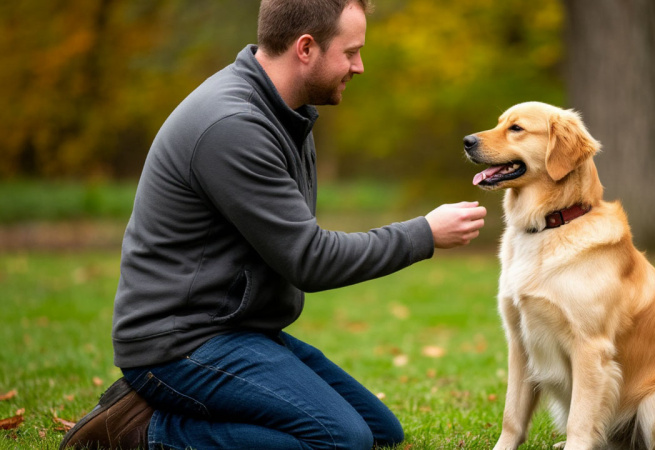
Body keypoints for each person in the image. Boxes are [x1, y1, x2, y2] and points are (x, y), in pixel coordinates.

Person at [59, 0, 486, 448]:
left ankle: (162, 410)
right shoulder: (233, 126)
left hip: (235, 330)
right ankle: (143, 432)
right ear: (305, 48)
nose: (359, 66)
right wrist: (424, 233)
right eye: (351, 52)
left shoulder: (286, 112)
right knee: (341, 441)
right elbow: (310, 260)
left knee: (380, 431)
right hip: (178, 344)